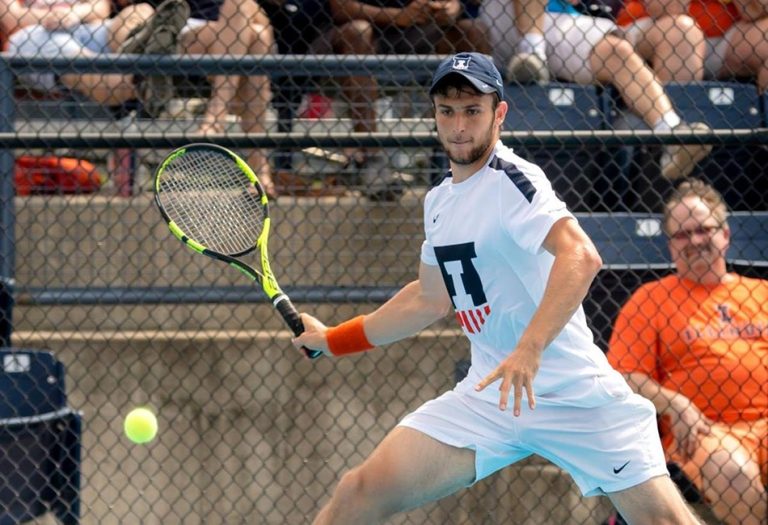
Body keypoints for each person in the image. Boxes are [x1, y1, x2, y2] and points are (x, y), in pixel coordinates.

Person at [292, 52, 704, 525]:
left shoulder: (514, 180)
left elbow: (581, 255)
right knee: (357, 493)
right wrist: (332, 340)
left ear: (499, 113)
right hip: (489, 396)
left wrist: (529, 349)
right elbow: (429, 297)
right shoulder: (439, 202)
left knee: (666, 521)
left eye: (472, 110)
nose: (459, 125)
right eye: (447, 111)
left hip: (574, 397)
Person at [607, 179, 768, 525]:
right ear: (670, 246)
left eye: (703, 229)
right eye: (682, 235)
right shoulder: (650, 299)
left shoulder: (762, 293)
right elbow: (623, 376)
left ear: (724, 234)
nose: (694, 241)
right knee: (733, 474)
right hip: (704, 434)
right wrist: (674, 404)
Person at [478, 0, 713, 180]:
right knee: (615, 49)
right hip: (512, 18)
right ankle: (532, 50)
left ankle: (671, 139)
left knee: (650, 40)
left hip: (579, 21)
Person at [309, 0, 491, 201]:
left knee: (472, 30)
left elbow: (458, 5)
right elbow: (342, 8)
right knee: (357, 31)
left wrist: (450, 8)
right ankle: (371, 160)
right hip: (350, 36)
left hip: (418, 32)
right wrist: (398, 16)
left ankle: (470, 157)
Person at [119, 0, 278, 197]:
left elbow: (263, 16)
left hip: (237, 31)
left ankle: (216, 115)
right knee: (254, 34)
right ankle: (259, 168)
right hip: (181, 28)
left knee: (251, 25)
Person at [5, 0, 188, 115]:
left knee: (140, 10)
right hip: (35, 32)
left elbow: (101, 7)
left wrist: (74, 14)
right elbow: (10, 17)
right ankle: (144, 79)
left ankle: (137, 46)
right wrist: (52, 16)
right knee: (84, 65)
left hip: (86, 25)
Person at [616, 0, 768, 93]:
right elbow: (666, 9)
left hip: (727, 37)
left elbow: (755, 12)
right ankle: (678, 132)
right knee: (681, 32)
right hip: (655, 28)